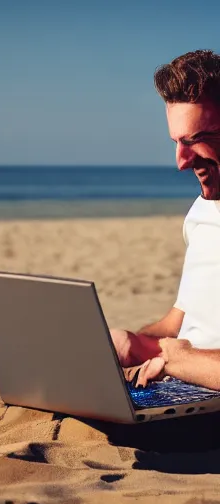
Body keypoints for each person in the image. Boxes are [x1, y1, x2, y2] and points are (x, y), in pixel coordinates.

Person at [111, 49, 220, 390]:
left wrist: (179, 360)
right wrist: (132, 344)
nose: (182, 162)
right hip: (181, 384)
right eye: (177, 143)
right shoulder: (202, 214)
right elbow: (181, 322)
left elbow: (182, 351)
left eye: (197, 140)